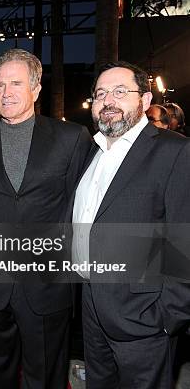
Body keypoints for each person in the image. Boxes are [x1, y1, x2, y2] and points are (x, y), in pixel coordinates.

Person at [0, 48, 92, 388]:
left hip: (47, 284)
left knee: (44, 376)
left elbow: (83, 208)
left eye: (15, 83)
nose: (6, 92)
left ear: (36, 89)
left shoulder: (71, 138)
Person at [72, 61, 190, 388]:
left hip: (145, 318)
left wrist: (167, 318)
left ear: (146, 100)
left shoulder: (175, 152)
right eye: (100, 94)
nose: (108, 100)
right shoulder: (89, 152)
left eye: (120, 91)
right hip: (92, 309)